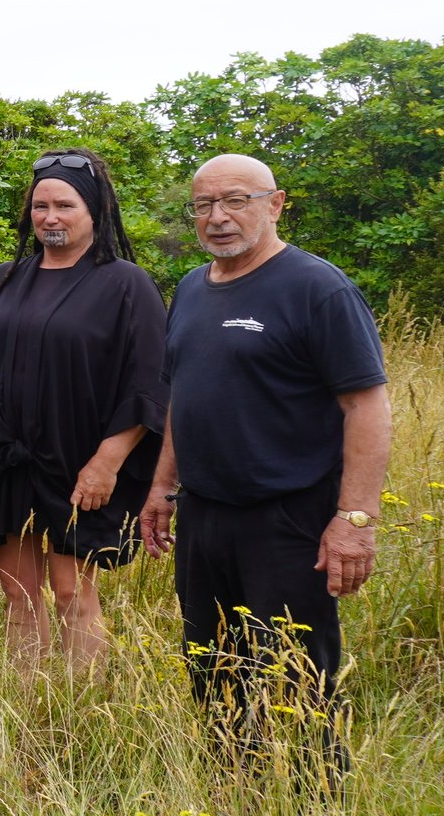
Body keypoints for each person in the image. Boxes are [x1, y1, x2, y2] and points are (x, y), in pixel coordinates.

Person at [138, 155, 389, 768]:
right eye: (203, 205)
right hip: (203, 513)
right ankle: (235, 807)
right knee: (213, 669)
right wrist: (161, 487)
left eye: (236, 201)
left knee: (295, 680)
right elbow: (183, 399)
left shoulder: (318, 289)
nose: (218, 218)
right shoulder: (193, 289)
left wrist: (355, 518)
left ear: (275, 204)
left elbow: (367, 405)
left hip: (288, 520)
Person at [0, 149, 166, 670]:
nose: (50, 217)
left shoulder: (126, 285)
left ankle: (78, 714)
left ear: (94, 211)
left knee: (72, 594)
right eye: (40, 206)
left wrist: (106, 463)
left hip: (77, 464)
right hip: (3, 461)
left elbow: (149, 384)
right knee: (17, 592)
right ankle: (28, 708)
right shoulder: (2, 280)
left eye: (64, 205)